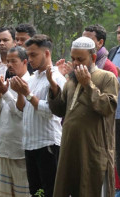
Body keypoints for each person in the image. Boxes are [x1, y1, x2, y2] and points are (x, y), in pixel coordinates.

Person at [48, 36, 118, 197]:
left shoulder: (107, 77)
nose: (76, 63)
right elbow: (60, 110)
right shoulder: (71, 82)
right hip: (70, 149)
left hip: (93, 150)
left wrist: (88, 85)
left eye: (80, 59)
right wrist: (53, 88)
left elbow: (108, 107)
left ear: (93, 58)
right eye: (73, 59)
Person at [11, 34, 66, 197]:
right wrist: (20, 93)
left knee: (50, 191)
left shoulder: (56, 78)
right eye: (28, 55)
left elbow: (51, 112)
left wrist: (27, 94)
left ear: (47, 53)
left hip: (47, 143)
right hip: (30, 143)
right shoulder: (33, 78)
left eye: (33, 55)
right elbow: (21, 108)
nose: (30, 59)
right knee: (35, 192)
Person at [0, 46, 30, 197]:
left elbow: (20, 113)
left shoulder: (28, 83)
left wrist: (5, 93)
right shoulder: (8, 82)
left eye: (14, 61)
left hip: (19, 149)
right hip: (3, 147)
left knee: (22, 192)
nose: (10, 65)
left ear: (25, 61)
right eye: (8, 61)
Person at [108, 24, 120, 194]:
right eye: (118, 32)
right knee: (115, 151)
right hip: (113, 112)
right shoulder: (113, 52)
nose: (119, 35)